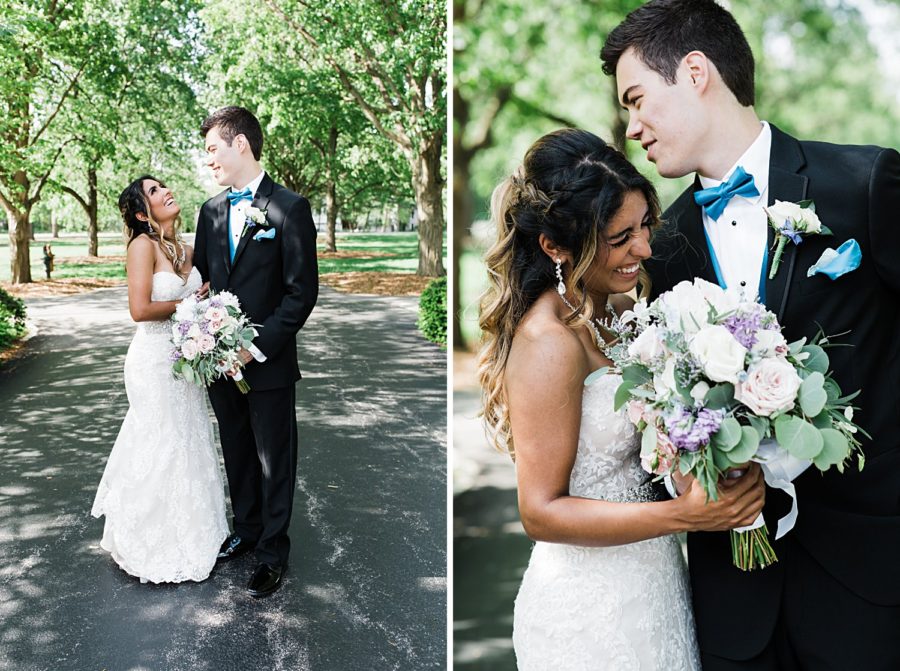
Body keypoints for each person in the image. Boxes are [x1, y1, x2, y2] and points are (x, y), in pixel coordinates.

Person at [601, 1, 900, 669]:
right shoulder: (664, 244)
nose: (632, 126)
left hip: (871, 585)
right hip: (734, 602)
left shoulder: (862, 182)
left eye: (638, 99)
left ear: (697, 71)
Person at [477, 127, 766, 669]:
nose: (644, 249)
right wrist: (687, 516)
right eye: (619, 239)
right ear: (555, 246)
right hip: (589, 615)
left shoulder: (615, 313)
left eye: (643, 227)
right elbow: (540, 513)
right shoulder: (549, 343)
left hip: (655, 585)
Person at [193, 106, 318, 597]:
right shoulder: (211, 211)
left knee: (273, 458)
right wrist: (203, 335)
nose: (209, 161)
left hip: (267, 361)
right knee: (236, 449)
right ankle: (244, 531)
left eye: (212, 149)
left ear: (240, 143)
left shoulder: (290, 208)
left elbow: (300, 294)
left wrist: (255, 347)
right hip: (217, 361)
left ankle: (272, 551)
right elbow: (204, 282)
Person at [91, 176, 228, 584]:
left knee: (189, 436)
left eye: (163, 186)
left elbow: (198, 296)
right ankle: (147, 539)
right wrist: (188, 303)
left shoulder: (185, 248)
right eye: (153, 192)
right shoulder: (142, 246)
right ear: (140, 212)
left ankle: (195, 533)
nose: (165, 191)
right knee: (161, 438)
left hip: (185, 360)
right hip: (152, 360)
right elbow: (140, 309)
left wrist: (207, 312)